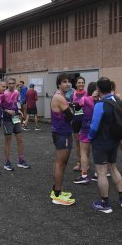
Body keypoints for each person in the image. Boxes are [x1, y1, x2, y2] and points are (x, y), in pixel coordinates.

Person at [88, 78, 122, 213]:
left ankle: (105, 204)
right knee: (113, 168)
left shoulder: (100, 104)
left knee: (101, 172)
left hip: (101, 142)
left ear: (98, 89)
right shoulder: (117, 100)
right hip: (114, 141)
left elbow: (94, 126)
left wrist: (89, 137)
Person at [49, 73, 76, 205]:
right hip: (62, 133)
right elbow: (71, 116)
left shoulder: (60, 96)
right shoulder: (59, 97)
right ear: (59, 84)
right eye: (64, 82)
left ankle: (56, 190)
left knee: (61, 163)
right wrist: (72, 108)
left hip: (62, 132)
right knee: (60, 163)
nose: (68, 84)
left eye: (69, 82)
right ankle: (57, 195)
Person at [2, 77, 30, 171]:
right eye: (10, 83)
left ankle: (20, 160)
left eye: (13, 83)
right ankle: (7, 162)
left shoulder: (16, 92)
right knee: (8, 140)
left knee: (20, 139)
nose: (11, 85)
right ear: (7, 84)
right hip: (7, 119)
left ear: (15, 84)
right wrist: (7, 111)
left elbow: (16, 103)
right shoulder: (4, 94)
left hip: (16, 118)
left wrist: (18, 110)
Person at [73, 82, 96, 184]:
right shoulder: (101, 99)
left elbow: (77, 108)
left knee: (83, 152)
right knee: (97, 152)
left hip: (86, 126)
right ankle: (97, 174)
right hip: (97, 127)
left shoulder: (85, 99)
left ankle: (84, 175)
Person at [71, 77, 87, 172]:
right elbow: (70, 108)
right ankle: (79, 163)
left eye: (82, 82)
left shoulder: (87, 93)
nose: (81, 84)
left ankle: (86, 163)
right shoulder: (72, 94)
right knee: (77, 143)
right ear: (76, 84)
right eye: (79, 82)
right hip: (76, 121)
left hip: (85, 121)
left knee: (85, 144)